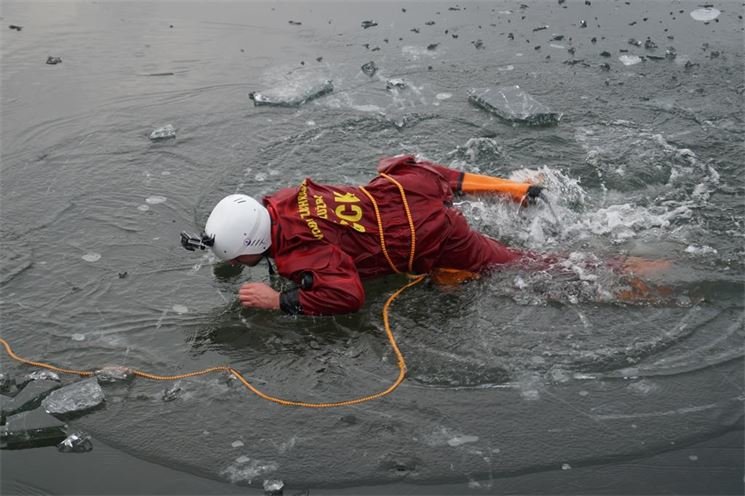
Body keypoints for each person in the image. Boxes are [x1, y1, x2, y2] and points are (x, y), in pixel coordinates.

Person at [181, 155, 661, 315]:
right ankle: (513, 190)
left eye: (237, 259)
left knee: (516, 265)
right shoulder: (280, 200)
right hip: (398, 192)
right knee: (414, 172)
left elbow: (348, 295)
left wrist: (281, 302)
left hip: (428, 234)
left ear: (255, 247)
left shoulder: (295, 259)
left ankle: (621, 271)